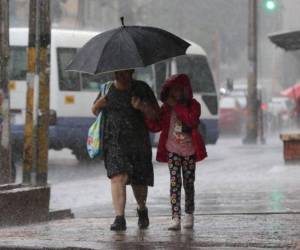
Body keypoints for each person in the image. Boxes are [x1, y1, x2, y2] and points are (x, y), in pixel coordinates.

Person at [92, 69, 159, 231]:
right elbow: (95, 111)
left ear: (132, 72)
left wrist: (142, 106)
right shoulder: (107, 89)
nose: (121, 77)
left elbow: (156, 114)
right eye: (118, 74)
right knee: (117, 177)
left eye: (124, 73)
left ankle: (142, 209)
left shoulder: (141, 88)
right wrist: (97, 105)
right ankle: (119, 218)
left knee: (139, 181)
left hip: (138, 142)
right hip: (114, 142)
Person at [145, 74, 207, 230]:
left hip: (189, 150)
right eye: (173, 90)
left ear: (186, 90)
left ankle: (189, 214)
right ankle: (175, 217)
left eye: (180, 90)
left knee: (188, 183)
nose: (177, 93)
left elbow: (191, 120)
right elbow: (155, 126)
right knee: (174, 182)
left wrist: (177, 106)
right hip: (172, 150)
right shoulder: (166, 108)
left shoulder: (194, 105)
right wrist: (146, 112)